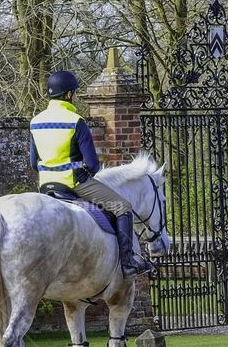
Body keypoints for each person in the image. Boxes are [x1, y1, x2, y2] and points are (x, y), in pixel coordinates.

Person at [29, 70, 149, 277]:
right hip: (73, 183)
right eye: (73, 93)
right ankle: (128, 262)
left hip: (45, 185)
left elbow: (33, 163)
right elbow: (92, 165)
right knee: (123, 208)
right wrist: (80, 171)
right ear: (68, 95)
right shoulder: (76, 121)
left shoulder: (35, 122)